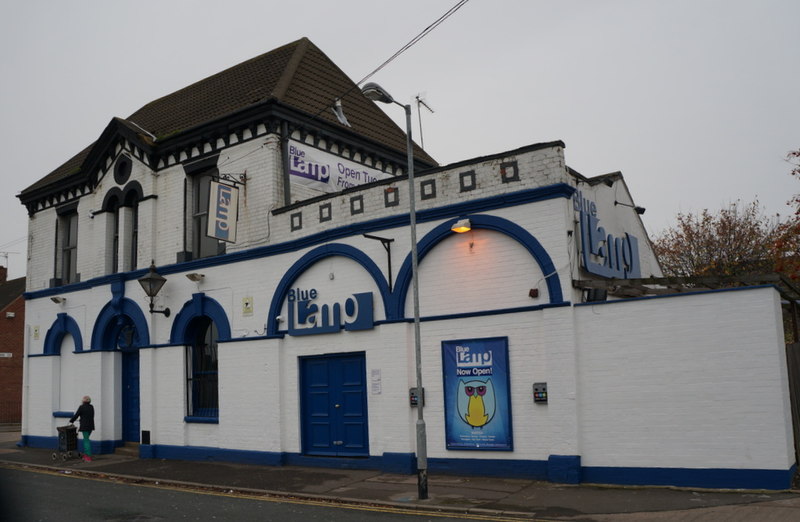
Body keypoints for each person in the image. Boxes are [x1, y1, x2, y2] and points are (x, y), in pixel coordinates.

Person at [69, 395, 95, 462]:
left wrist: (71, 420)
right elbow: (91, 415)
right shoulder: (91, 407)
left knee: (86, 440)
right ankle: (85, 455)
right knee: (86, 439)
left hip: (84, 426)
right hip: (91, 426)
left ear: (83, 401)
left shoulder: (81, 407)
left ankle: (88, 457)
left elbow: (76, 415)